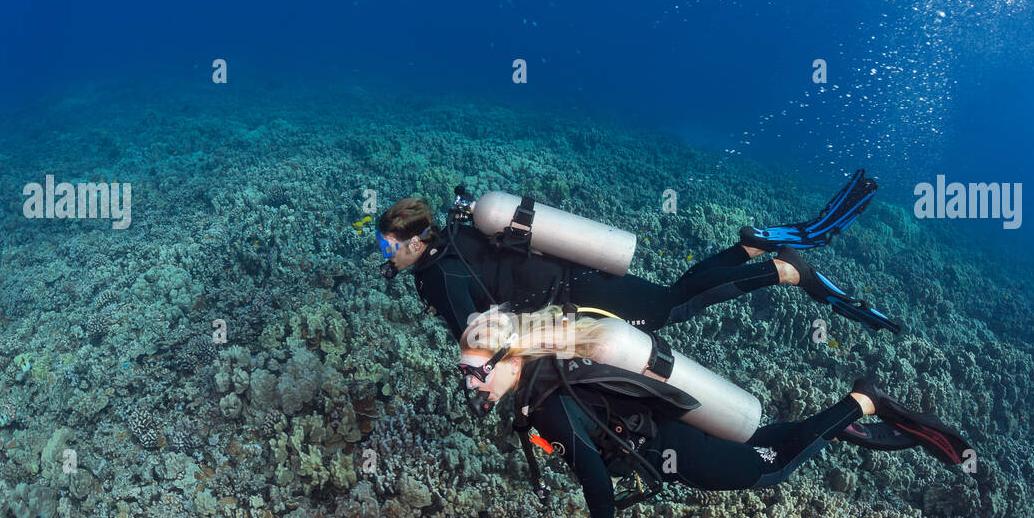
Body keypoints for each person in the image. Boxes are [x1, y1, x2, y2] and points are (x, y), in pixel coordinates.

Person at [457, 307, 971, 518]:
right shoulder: (545, 366)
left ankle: (860, 404)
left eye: (475, 372)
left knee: (773, 470)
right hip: (671, 428)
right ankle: (834, 424)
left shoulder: (544, 402)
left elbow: (592, 474)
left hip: (679, 451)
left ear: (507, 358)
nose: (472, 384)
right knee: (764, 441)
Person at [376, 171, 900, 341]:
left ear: (417, 240)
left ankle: (779, 270)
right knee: (669, 294)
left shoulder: (438, 275)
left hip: (575, 295)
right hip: (573, 274)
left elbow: (479, 335)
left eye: (389, 245)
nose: (387, 254)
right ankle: (749, 247)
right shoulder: (458, 231)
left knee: (668, 310)